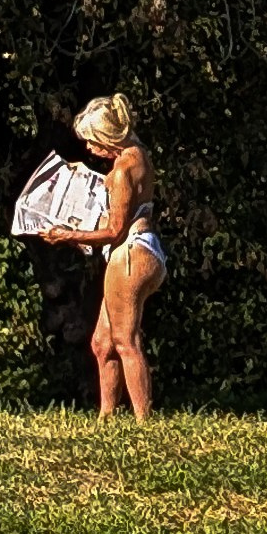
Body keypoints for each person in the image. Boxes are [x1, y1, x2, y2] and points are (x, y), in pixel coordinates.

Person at [43, 93, 166, 421]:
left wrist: (68, 234)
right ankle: (106, 417)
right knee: (102, 342)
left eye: (92, 142)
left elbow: (113, 231)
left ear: (107, 137)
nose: (90, 150)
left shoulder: (123, 169)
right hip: (142, 248)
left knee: (125, 340)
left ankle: (144, 420)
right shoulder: (138, 154)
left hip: (130, 253)